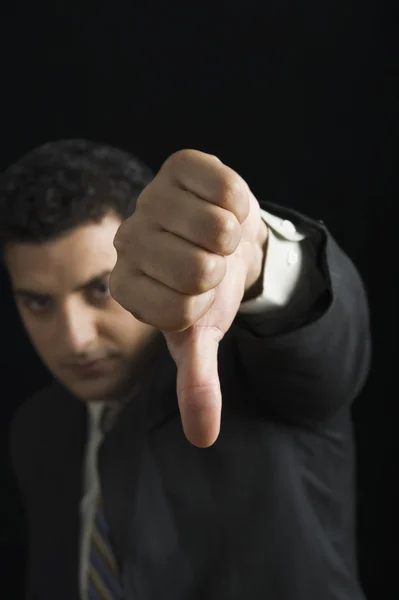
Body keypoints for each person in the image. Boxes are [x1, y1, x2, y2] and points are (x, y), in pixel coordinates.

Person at [0, 139, 371, 600]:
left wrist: (256, 257)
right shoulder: (36, 430)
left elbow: (324, 342)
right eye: (38, 302)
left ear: (150, 263)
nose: (75, 338)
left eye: (100, 289)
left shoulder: (252, 375)